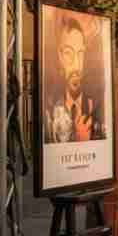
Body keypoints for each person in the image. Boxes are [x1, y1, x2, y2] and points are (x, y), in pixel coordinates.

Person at [44, 15, 106, 143]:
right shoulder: (48, 110)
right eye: (68, 53)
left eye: (80, 53)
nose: (76, 65)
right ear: (60, 56)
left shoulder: (98, 106)